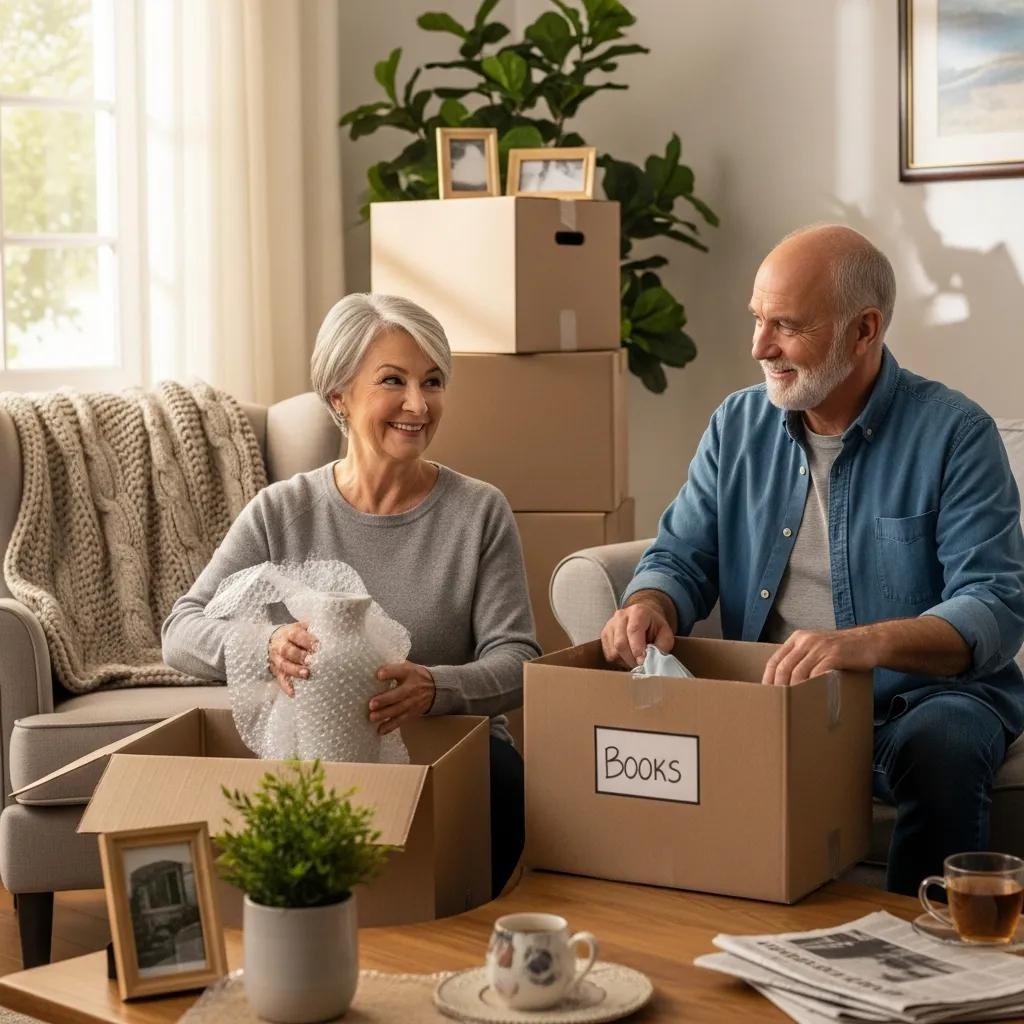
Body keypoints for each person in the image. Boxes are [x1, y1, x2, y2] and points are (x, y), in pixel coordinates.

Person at [601, 224, 1024, 895]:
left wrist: (863, 645)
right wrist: (649, 602)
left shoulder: (956, 435)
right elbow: (681, 555)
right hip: (771, 705)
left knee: (945, 742)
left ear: (864, 331)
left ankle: (918, 962)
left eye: (786, 326)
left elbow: (994, 606)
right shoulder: (737, 425)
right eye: (758, 320)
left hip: (916, 705)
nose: (759, 347)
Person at [162, 293, 539, 895]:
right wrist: (265, 644)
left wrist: (437, 687)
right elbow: (179, 631)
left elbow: (519, 660)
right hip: (315, 762)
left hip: (450, 755)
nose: (419, 405)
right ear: (338, 395)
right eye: (394, 381)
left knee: (498, 790)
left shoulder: (479, 512)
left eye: (433, 382)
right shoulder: (282, 510)